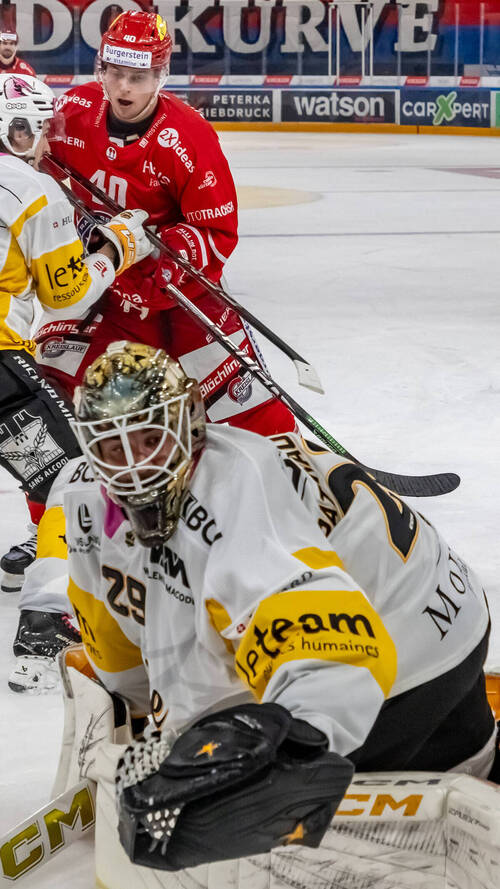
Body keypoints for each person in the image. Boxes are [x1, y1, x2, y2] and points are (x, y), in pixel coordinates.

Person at [37, 340, 495, 869]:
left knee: (278, 790)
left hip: (410, 643)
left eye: (149, 441)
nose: (135, 468)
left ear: (189, 422)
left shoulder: (235, 495)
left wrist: (292, 735)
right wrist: (138, 701)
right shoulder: (81, 500)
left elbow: (322, 632)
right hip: (441, 600)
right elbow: (115, 622)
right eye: (115, 450)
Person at [36, 9, 294, 437]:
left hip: (180, 294)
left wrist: (156, 247)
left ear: (161, 75)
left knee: (244, 408)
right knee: (55, 399)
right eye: (113, 72)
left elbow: (217, 232)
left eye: (137, 77)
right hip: (101, 287)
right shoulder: (73, 111)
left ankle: (299, 476)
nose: (122, 87)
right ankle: (68, 501)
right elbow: (38, 173)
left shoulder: (190, 137)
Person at [0, 73, 153, 685]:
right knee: (71, 471)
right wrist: (118, 243)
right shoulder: (31, 189)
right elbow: (64, 294)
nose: (46, 141)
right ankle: (48, 617)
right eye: (37, 128)